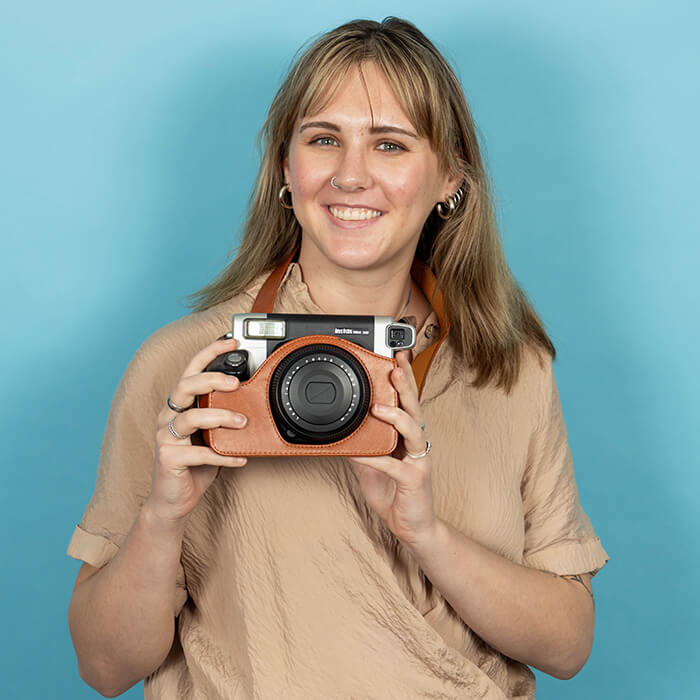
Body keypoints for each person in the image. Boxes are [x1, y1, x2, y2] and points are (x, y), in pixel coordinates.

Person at [67, 17, 609, 699]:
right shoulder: (191, 365)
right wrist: (161, 517)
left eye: (390, 144)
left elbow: (567, 646)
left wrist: (425, 533)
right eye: (325, 139)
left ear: (450, 179)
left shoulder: (509, 368)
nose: (352, 176)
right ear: (285, 173)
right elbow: (104, 668)